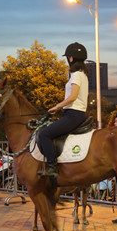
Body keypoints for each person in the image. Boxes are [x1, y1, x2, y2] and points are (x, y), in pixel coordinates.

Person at [37, 42, 89, 179]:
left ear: (70, 58)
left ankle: (52, 167)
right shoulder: (83, 74)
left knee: (44, 135)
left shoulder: (76, 74)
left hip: (74, 115)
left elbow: (73, 97)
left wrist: (57, 106)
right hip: (76, 114)